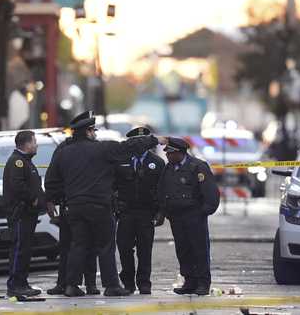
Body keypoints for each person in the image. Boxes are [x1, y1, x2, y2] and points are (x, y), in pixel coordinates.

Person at [45, 111, 168, 297]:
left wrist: (55, 199)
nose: (95, 133)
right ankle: (111, 286)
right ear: (87, 131)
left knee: (78, 245)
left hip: (75, 206)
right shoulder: (102, 149)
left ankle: (71, 285)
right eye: (93, 130)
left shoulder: (63, 153)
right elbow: (130, 146)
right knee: (105, 245)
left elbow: (52, 181)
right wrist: (155, 140)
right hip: (99, 206)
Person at [155, 137, 220, 296]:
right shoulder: (169, 168)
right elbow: (162, 190)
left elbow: (210, 192)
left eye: (171, 153)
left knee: (199, 249)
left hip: (194, 216)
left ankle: (203, 283)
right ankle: (189, 281)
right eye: (167, 154)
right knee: (183, 250)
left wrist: (204, 211)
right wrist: (164, 212)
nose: (168, 156)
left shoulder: (197, 167)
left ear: (180, 153)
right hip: (176, 217)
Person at [114, 127, 165, 295]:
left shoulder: (157, 162)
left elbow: (161, 190)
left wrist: (160, 212)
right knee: (124, 248)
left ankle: (144, 282)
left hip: (146, 212)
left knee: (145, 249)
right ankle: (128, 282)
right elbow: (112, 185)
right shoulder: (121, 160)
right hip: (126, 211)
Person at [3, 130, 44, 297]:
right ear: (26, 144)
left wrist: (44, 201)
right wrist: (32, 199)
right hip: (21, 213)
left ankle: (22, 282)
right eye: (34, 142)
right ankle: (14, 285)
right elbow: (18, 186)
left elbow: (34, 185)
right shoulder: (17, 162)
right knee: (19, 249)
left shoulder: (26, 161)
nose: (36, 145)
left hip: (28, 214)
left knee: (25, 249)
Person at [45, 199, 99, 295]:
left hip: (71, 202)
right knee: (82, 244)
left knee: (77, 245)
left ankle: (69, 284)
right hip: (74, 202)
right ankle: (86, 284)